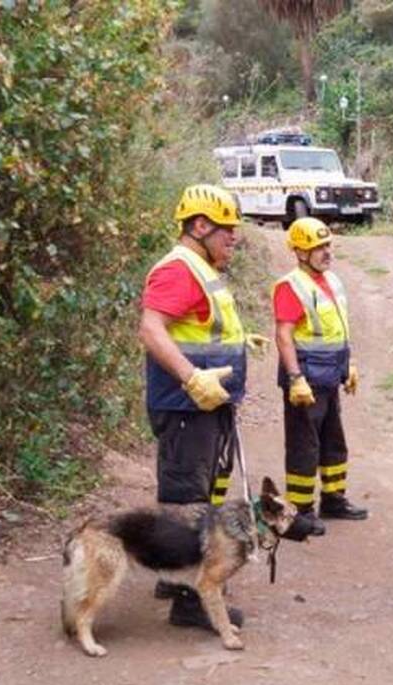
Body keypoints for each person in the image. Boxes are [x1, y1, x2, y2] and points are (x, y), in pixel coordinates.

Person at [138, 183, 265, 630]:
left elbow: (196, 328)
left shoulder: (200, 267)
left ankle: (174, 579)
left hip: (204, 405)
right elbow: (152, 329)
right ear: (199, 225)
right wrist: (191, 376)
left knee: (195, 493)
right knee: (186, 498)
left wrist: (236, 346)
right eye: (227, 231)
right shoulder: (180, 269)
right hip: (186, 405)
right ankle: (190, 601)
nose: (234, 238)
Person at [272, 217, 368, 536]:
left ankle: (333, 499)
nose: (326, 252)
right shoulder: (291, 286)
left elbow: (339, 328)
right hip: (307, 379)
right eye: (318, 247)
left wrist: (348, 364)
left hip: (330, 375)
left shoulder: (333, 281)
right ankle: (300, 511)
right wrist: (295, 376)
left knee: (333, 441)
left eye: (327, 245)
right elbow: (284, 335)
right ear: (300, 252)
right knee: (304, 446)